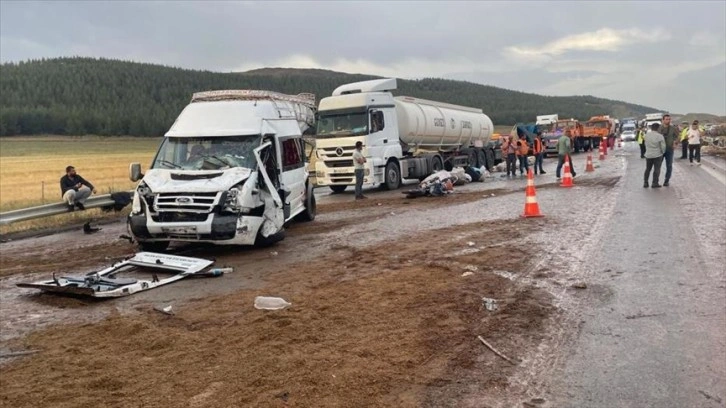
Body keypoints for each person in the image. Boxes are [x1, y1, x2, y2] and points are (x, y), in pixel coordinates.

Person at [643, 123, 666, 188]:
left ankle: (645, 182)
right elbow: (663, 146)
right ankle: (654, 183)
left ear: (651, 128)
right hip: (657, 155)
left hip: (648, 155)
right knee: (656, 169)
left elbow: (645, 144)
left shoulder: (646, 135)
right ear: (658, 128)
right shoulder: (660, 136)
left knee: (648, 169)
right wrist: (662, 152)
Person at [659, 114, 678, 187]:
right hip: (660, 150)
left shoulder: (673, 128)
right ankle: (656, 181)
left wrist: (675, 143)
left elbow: (677, 137)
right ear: (663, 120)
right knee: (658, 165)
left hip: (669, 149)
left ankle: (666, 180)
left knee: (669, 165)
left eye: (669, 119)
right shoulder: (659, 128)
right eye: (666, 119)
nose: (668, 121)